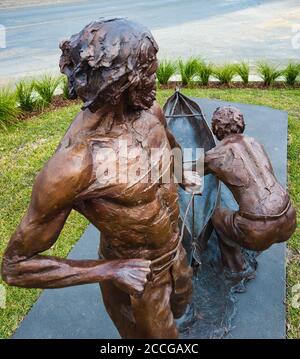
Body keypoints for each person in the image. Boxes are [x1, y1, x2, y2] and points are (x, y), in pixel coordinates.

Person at [1, 18, 196, 339]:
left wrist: (181, 171)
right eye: (148, 72)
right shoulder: (75, 166)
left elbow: (170, 145)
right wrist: (110, 270)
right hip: (139, 280)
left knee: (183, 307)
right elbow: (15, 267)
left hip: (176, 253)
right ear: (121, 80)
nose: (155, 79)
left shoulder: (151, 113)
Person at [203, 106, 296, 274]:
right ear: (241, 124)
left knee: (217, 217)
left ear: (215, 129)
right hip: (289, 218)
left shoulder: (216, 156)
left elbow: (184, 174)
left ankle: (235, 267)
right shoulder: (254, 142)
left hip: (257, 231)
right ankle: (256, 239)